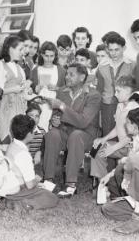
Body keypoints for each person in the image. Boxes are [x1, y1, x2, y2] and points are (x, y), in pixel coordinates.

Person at [43, 63, 101, 197]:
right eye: (67, 74)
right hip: (65, 132)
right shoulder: (62, 92)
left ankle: (70, 184)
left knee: (76, 135)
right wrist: (55, 121)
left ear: (82, 77)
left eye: (71, 74)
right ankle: (48, 180)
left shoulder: (93, 95)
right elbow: (56, 116)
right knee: (52, 134)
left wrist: (62, 107)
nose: (67, 77)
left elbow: (83, 122)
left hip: (85, 135)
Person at [91, 76, 139, 180]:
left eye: (118, 91)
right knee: (96, 146)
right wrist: (104, 138)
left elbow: (130, 138)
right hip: (121, 146)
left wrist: (112, 148)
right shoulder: (120, 105)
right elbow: (117, 128)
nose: (115, 94)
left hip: (132, 148)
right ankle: (102, 181)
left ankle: (106, 183)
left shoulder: (135, 109)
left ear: (128, 91)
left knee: (102, 149)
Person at [5, 115, 59, 211]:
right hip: (20, 190)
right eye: (33, 131)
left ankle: (13, 201)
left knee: (41, 190)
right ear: (29, 134)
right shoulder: (24, 154)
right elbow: (29, 184)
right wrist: (37, 180)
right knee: (51, 197)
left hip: (10, 190)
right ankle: (24, 204)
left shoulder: (11, 146)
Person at [0, 35, 29, 144]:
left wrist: (26, 91)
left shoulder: (19, 68)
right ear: (10, 49)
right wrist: (12, 89)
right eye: (20, 49)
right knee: (5, 138)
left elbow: (23, 89)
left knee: (17, 139)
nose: (22, 52)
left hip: (18, 108)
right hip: (4, 108)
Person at [100, 107, 139, 200]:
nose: (125, 125)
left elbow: (134, 163)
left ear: (135, 126)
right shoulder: (136, 139)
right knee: (115, 174)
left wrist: (123, 162)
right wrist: (108, 175)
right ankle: (119, 200)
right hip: (136, 176)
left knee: (120, 169)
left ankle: (127, 200)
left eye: (128, 122)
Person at [96, 33, 135, 136]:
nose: (113, 53)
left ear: (124, 48)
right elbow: (99, 90)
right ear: (107, 50)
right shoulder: (102, 66)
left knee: (124, 135)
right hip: (107, 105)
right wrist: (99, 112)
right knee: (108, 136)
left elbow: (135, 88)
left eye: (117, 50)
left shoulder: (132, 65)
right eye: (111, 50)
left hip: (125, 105)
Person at [30, 41, 66, 131]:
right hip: (39, 105)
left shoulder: (60, 70)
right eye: (46, 56)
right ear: (42, 55)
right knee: (38, 129)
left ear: (55, 56)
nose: (49, 59)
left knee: (51, 130)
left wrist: (56, 88)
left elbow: (67, 90)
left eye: (52, 56)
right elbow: (30, 89)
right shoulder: (36, 70)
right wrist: (36, 89)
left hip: (54, 106)